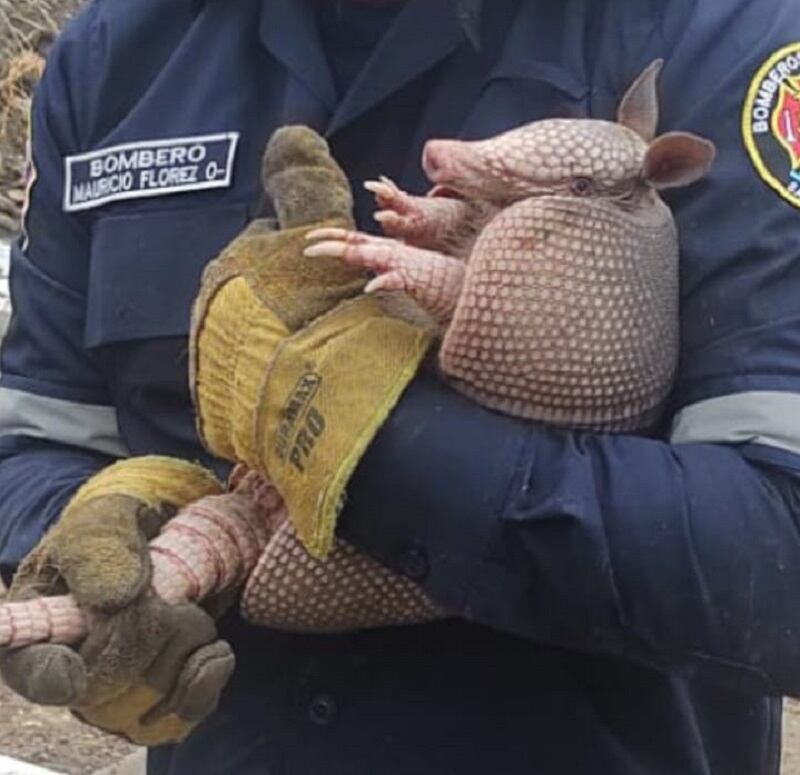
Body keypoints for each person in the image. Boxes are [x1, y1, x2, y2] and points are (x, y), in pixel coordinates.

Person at [1, 0, 800, 772]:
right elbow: (38, 432)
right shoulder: (115, 55)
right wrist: (103, 555)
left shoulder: (721, 29)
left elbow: (778, 551)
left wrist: (369, 439)